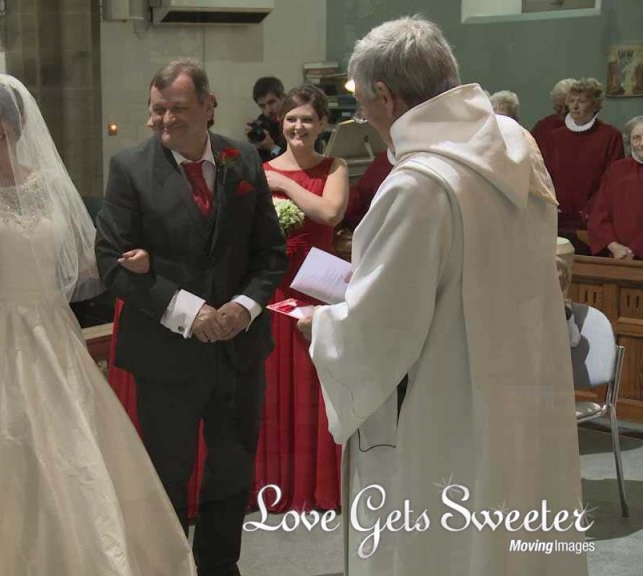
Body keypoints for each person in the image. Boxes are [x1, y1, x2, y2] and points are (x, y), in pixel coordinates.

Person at [296, 16, 586, 576]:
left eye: (363, 103)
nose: (366, 117)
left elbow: (381, 329)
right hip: (524, 383)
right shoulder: (516, 144)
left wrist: (324, 325)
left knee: (448, 539)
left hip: (447, 402)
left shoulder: (419, 183)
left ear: (386, 94)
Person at [0, 73, 195, 575]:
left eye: (0, 115)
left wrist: (133, 260)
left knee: (75, 454)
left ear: (21, 119)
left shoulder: (49, 184)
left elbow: (88, 259)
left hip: (53, 333)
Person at [95, 59, 287, 576]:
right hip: (167, 356)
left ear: (208, 106)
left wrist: (243, 308)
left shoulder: (241, 158)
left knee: (232, 470)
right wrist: (191, 311)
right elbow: (112, 263)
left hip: (238, 352)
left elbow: (270, 254)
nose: (164, 121)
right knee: (168, 475)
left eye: (178, 109)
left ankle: (220, 567)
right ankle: (170, 567)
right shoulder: (130, 168)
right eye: (157, 110)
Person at [259, 83, 348, 513]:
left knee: (317, 386)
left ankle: (320, 486)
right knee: (276, 388)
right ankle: (277, 484)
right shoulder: (262, 169)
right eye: (292, 119)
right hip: (277, 290)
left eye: (308, 119)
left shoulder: (335, 167)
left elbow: (330, 214)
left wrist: (284, 185)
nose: (298, 126)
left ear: (322, 125)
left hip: (319, 288)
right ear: (282, 122)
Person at [540, 77, 624, 249]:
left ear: (595, 105)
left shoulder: (610, 136)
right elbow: (545, 175)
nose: (575, 106)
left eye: (582, 101)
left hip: (592, 220)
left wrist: (589, 211)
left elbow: (611, 181)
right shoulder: (554, 137)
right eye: (571, 101)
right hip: (557, 217)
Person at [588, 115, 643, 259]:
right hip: (616, 256)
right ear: (629, 141)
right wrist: (613, 245)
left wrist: (634, 250)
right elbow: (599, 213)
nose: (642, 143)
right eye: (636, 138)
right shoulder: (617, 170)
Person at [247, 76, 286, 162]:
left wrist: (272, 147)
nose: (268, 110)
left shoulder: (295, 121)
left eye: (271, 102)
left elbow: (294, 163)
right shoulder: (262, 121)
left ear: (283, 97)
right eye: (262, 106)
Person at [530, 78, 574, 146]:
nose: (563, 112)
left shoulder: (586, 127)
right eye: (559, 107)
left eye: (568, 108)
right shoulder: (542, 128)